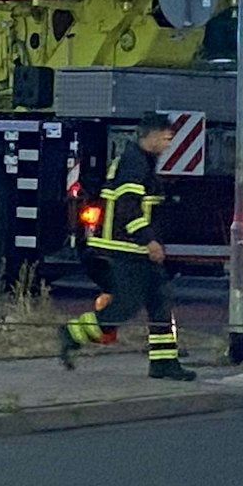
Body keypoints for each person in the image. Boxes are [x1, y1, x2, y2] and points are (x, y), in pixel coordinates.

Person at [58, 112, 195, 381]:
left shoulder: (140, 161)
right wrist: (149, 240)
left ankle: (164, 363)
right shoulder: (134, 165)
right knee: (125, 306)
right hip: (124, 248)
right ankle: (72, 333)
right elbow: (127, 208)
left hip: (133, 248)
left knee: (159, 302)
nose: (168, 145)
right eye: (167, 139)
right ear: (152, 136)